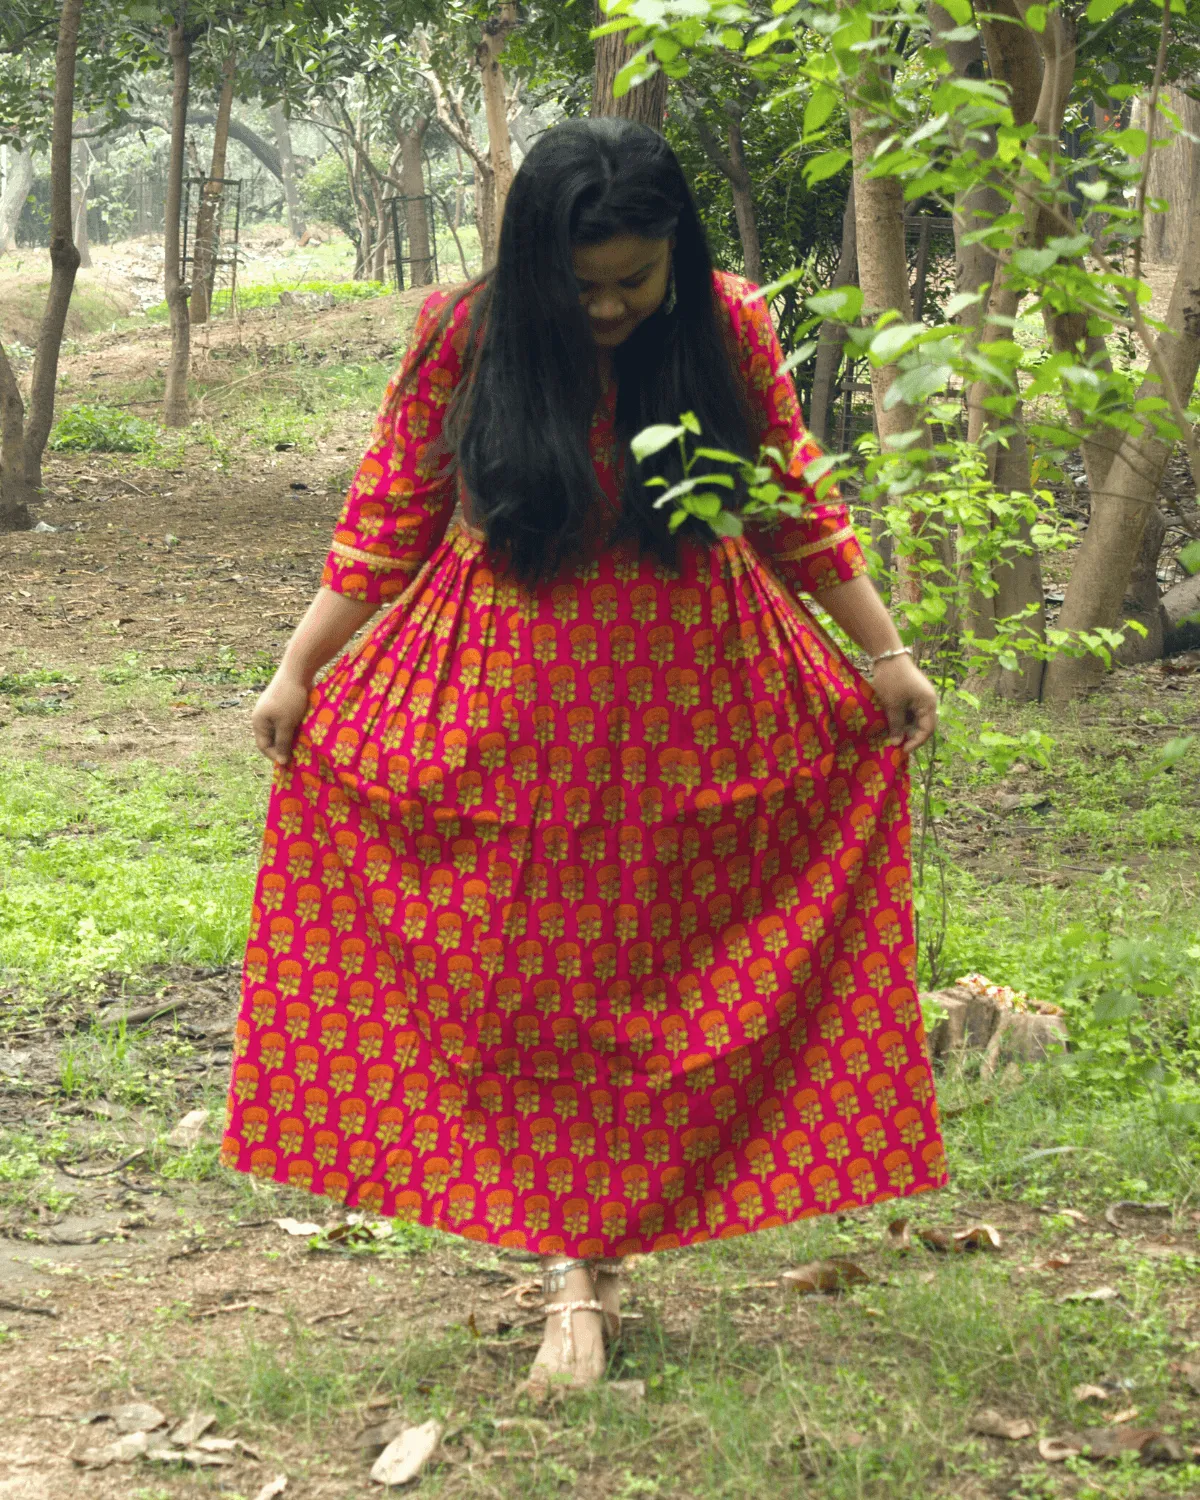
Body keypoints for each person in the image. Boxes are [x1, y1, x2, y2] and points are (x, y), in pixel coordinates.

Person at [224, 117, 944, 1395]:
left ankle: (604, 1254)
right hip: (505, 706)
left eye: (632, 282)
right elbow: (387, 516)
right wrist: (298, 670)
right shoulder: (464, 331)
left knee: (664, 971)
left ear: (677, 256)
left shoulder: (725, 327)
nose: (608, 308)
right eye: (583, 285)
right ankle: (575, 1266)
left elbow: (790, 504)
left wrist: (883, 657)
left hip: (700, 702)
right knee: (528, 983)